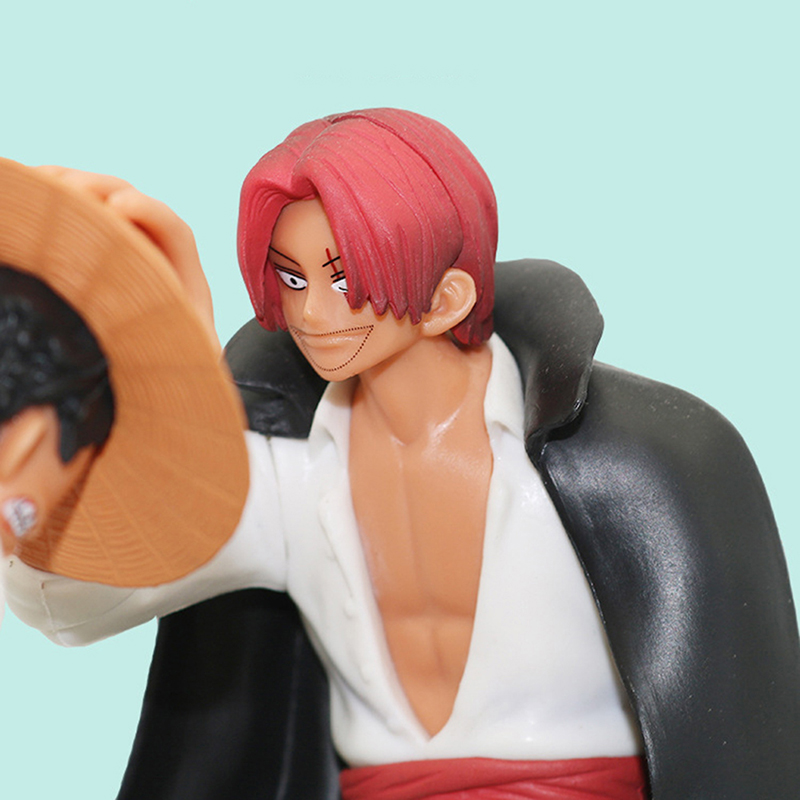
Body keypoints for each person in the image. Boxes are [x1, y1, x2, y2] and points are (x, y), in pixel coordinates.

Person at [3, 112, 799, 799]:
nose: (312, 315)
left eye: (344, 278)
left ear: (447, 296)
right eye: (291, 279)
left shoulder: (641, 460)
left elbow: (740, 717)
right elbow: (78, 599)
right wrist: (112, 390)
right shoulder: (289, 482)